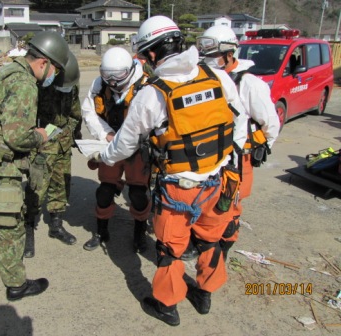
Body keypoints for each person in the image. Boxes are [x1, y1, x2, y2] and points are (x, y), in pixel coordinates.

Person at [91, 16, 248, 325]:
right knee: (210, 240)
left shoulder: (153, 93)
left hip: (179, 188)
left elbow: (123, 146)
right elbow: (239, 120)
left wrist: (103, 154)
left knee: (170, 249)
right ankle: (205, 293)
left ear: (151, 54)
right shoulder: (215, 75)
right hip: (217, 181)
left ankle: (166, 305)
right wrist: (226, 159)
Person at [0, 31, 69, 300]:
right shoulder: (24, 83)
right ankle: (17, 285)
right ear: (44, 63)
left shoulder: (4, 71)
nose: (52, 76)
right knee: (8, 228)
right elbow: (17, 137)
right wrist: (41, 135)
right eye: (55, 70)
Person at [197, 25, 280, 260]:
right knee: (207, 202)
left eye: (213, 56)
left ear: (230, 54)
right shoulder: (204, 78)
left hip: (237, 155)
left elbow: (270, 123)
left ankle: (222, 253)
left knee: (229, 206)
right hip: (209, 154)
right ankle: (205, 244)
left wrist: (262, 145)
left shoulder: (249, 84)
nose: (208, 61)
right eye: (206, 56)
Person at [81, 46, 152, 253]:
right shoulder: (98, 85)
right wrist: (106, 135)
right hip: (110, 144)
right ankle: (102, 231)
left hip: (137, 147)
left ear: (129, 70)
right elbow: (89, 112)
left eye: (118, 76)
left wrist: (129, 140)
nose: (113, 81)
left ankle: (139, 232)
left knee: (138, 194)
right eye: (107, 75)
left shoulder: (146, 85)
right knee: (104, 191)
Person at [24, 51, 81, 257]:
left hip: (63, 142)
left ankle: (56, 225)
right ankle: (28, 229)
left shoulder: (70, 83)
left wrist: (71, 130)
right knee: (36, 187)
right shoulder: (37, 83)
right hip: (42, 142)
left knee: (60, 186)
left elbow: (75, 112)